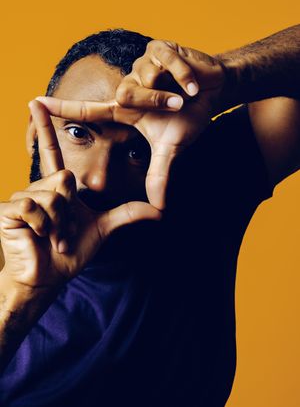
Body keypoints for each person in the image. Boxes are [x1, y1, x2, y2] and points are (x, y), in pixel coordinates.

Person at [0, 26, 299, 406]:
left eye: (136, 152)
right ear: (34, 133)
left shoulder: (203, 197)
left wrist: (227, 77)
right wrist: (19, 298)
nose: (98, 177)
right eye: (79, 133)